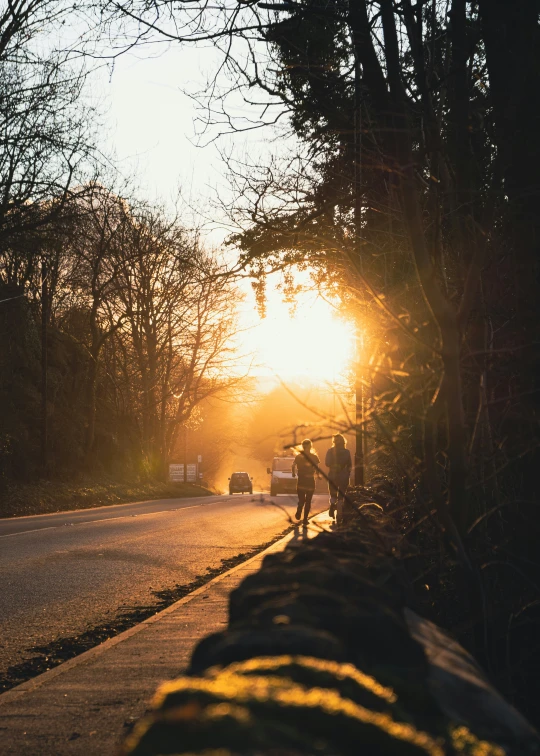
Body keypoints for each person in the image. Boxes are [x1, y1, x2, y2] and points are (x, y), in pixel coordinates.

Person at [325, 434, 352, 524]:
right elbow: (350, 465)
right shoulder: (347, 452)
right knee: (341, 495)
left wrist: (334, 466)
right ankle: (339, 515)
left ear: (334, 442)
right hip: (343, 476)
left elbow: (327, 463)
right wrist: (347, 473)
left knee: (333, 494)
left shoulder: (330, 451)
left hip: (332, 475)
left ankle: (332, 504)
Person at [292, 439, 320, 523]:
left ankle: (299, 510)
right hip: (310, 480)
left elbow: (293, 465)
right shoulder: (314, 457)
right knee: (308, 500)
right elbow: (317, 467)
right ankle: (305, 519)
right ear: (310, 446)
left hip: (301, 480)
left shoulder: (298, 456)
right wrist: (318, 475)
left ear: (303, 447)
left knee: (302, 500)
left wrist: (293, 473)